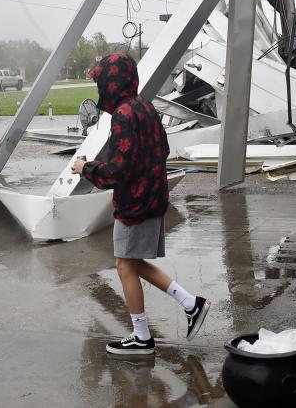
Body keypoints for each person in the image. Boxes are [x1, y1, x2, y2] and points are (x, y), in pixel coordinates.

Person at [70, 53, 210, 356]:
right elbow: (160, 149)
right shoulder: (145, 107)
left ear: (112, 82)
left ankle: (142, 336)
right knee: (131, 262)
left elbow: (118, 171)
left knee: (124, 264)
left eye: (101, 80)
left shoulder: (122, 114)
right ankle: (190, 304)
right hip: (153, 196)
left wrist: (86, 168)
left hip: (134, 204)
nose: (99, 87)